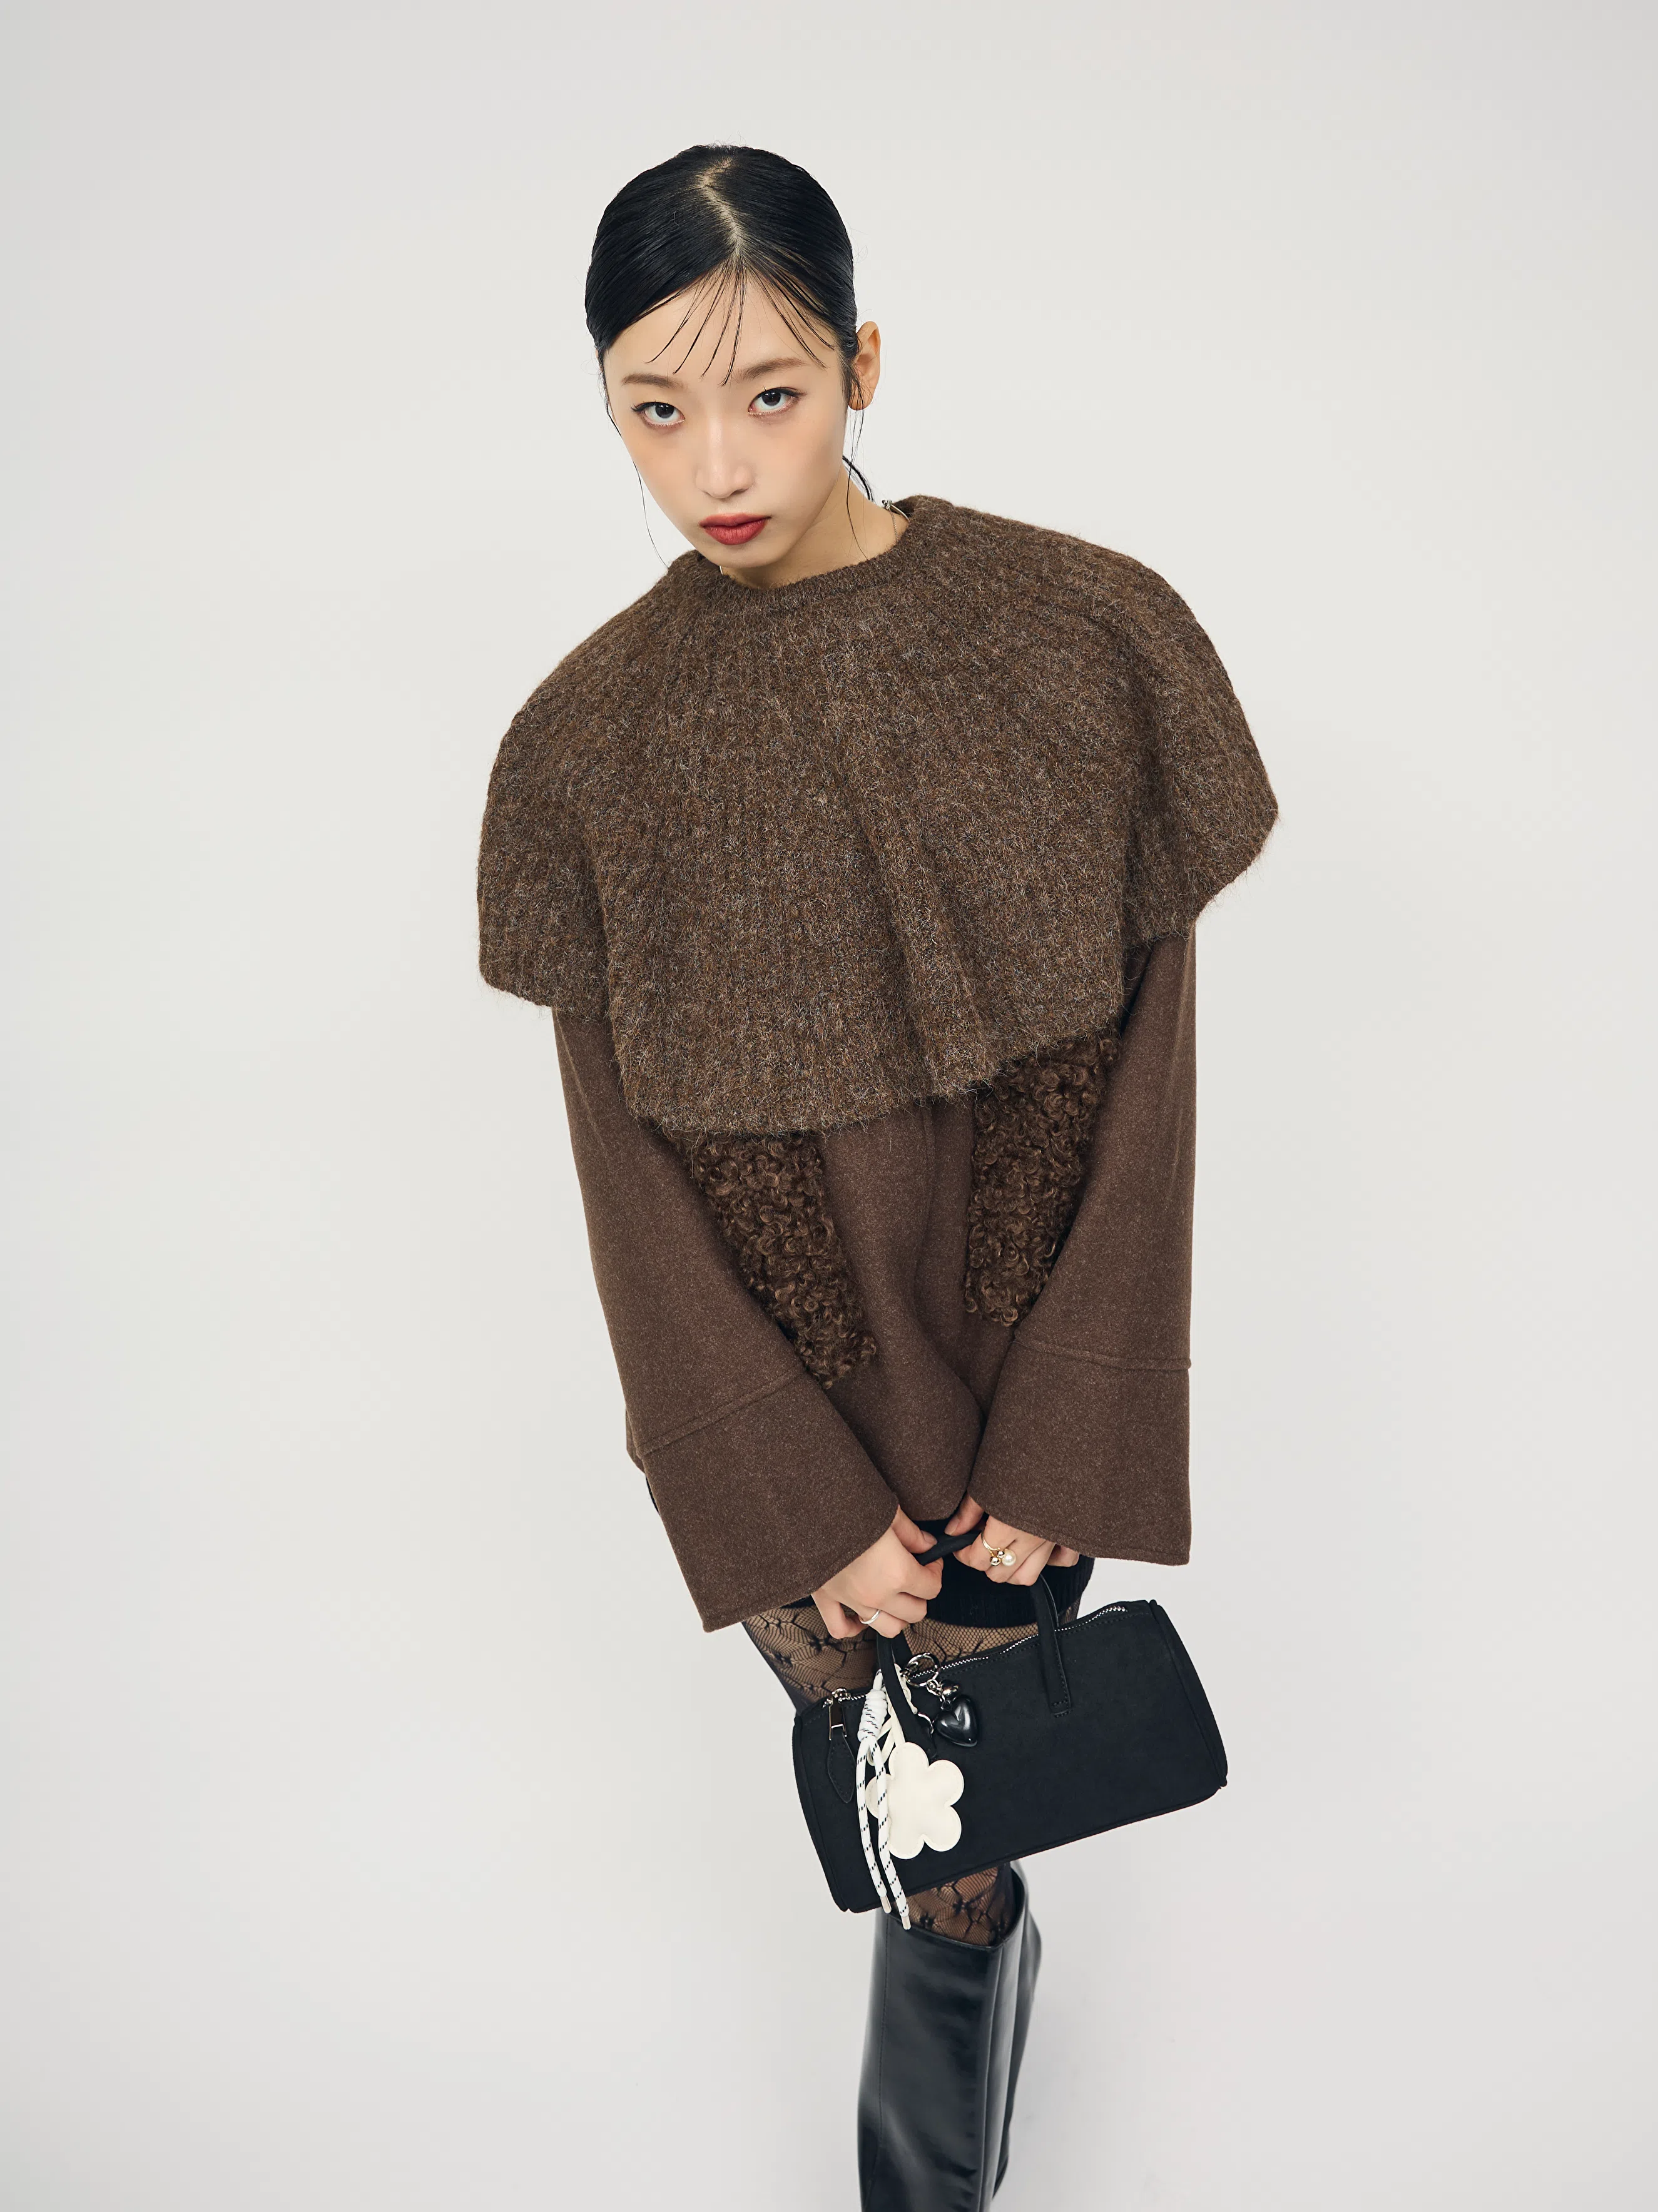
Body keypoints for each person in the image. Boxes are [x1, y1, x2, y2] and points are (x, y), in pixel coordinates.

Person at [477, 143, 1278, 2211]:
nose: (717, 464)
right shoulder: (585, 744)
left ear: (866, 365)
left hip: (1021, 1363)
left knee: (956, 1842)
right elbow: (621, 1180)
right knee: (911, 1823)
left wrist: (1077, 1424)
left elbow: (1154, 1084)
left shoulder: (1086, 634)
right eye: (655, 410)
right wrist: (788, 1492)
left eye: (772, 393)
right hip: (786, 1390)